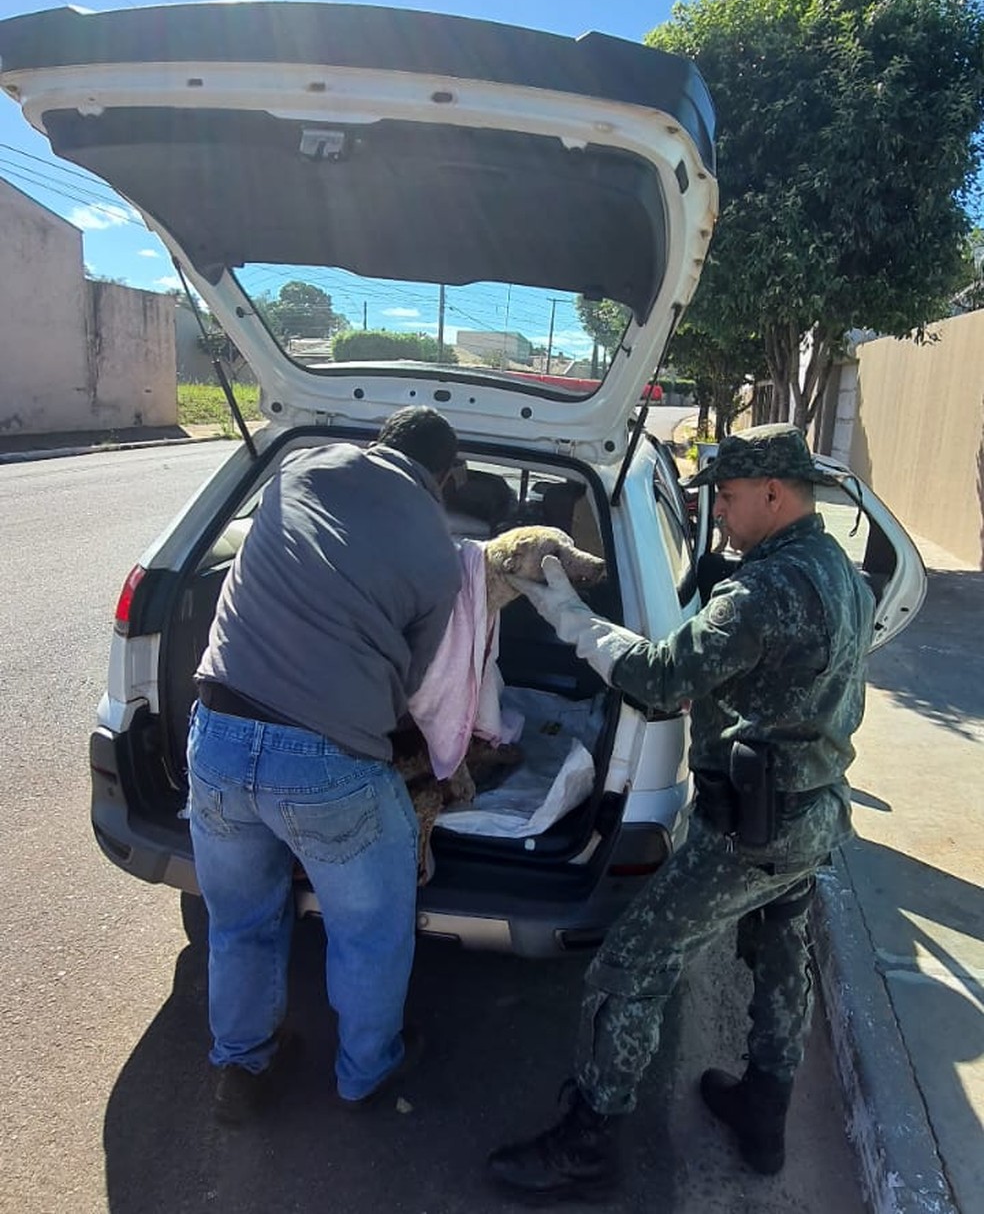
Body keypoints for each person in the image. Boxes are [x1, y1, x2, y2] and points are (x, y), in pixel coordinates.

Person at [488, 423, 876, 1201]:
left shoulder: (762, 590)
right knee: (778, 951)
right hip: (810, 815)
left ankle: (589, 1139)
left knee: (630, 963)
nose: (720, 515)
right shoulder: (839, 568)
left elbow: (663, 679)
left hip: (748, 829)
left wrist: (567, 612)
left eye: (728, 499)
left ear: (775, 493)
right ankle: (763, 1114)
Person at [186, 405, 461, 1124]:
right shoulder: (440, 553)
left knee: (239, 919)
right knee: (370, 927)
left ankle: (240, 1064)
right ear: (446, 477)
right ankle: (366, 1071)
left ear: (378, 442)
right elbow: (419, 685)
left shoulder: (298, 467)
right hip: (325, 763)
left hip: (214, 733)